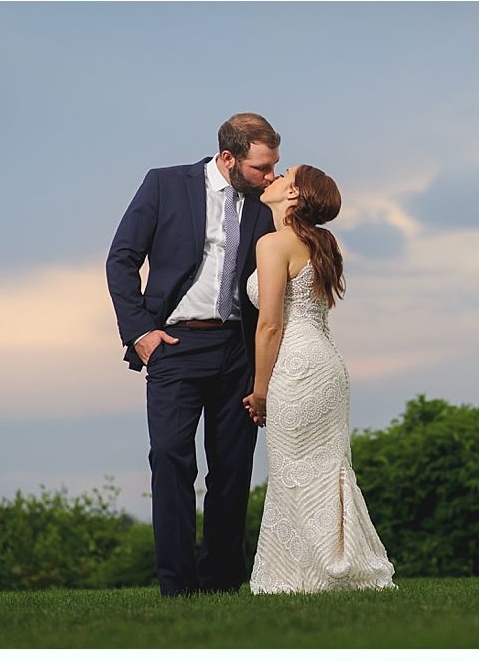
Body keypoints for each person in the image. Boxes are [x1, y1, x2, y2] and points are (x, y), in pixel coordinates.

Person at [106, 113, 279, 597]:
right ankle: (177, 587)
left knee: (232, 468)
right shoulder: (164, 185)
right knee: (170, 459)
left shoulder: (266, 203)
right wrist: (140, 331)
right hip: (175, 345)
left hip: (237, 349)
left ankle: (221, 582)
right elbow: (121, 259)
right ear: (229, 158)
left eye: (274, 167)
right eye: (262, 167)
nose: (270, 177)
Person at [242, 165, 397, 593]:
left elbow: (270, 325)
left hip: (296, 366)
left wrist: (259, 391)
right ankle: (335, 565)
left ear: (293, 197)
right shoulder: (321, 243)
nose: (273, 176)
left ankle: (305, 575)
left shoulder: (273, 244)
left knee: (294, 469)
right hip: (328, 365)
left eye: (284, 174)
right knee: (327, 467)